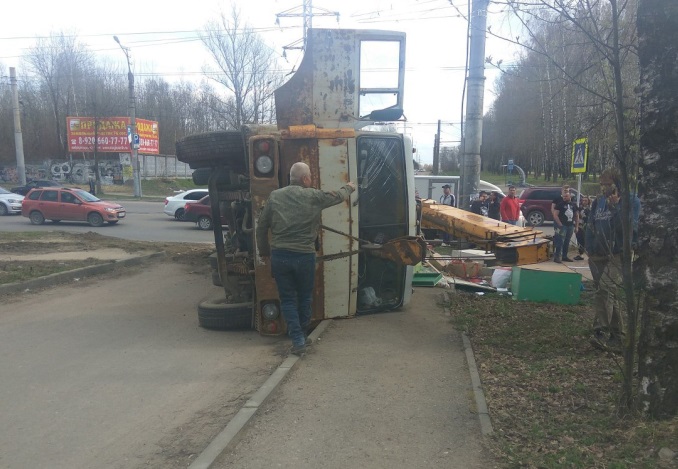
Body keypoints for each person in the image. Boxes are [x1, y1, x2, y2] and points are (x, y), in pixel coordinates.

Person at [256, 162, 356, 356]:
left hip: (281, 257)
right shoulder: (313, 196)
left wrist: (265, 252)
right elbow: (338, 196)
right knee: (305, 297)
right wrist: (350, 187)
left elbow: (261, 227)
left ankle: (298, 339)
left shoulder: (275, 197)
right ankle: (301, 335)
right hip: (304, 257)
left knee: (287, 300)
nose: (311, 178)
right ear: (305, 179)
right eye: (310, 175)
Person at [585, 168, 640, 352]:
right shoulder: (598, 202)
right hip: (598, 254)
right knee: (609, 294)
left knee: (605, 289)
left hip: (618, 253)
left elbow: (628, 229)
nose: (603, 188)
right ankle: (617, 336)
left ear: (618, 184)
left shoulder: (630, 201)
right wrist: (589, 247)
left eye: (607, 184)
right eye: (601, 184)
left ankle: (599, 331)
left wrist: (616, 208)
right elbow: (591, 224)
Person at [551, 188, 579, 263]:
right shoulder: (560, 204)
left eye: (566, 196)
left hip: (570, 226)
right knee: (560, 241)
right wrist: (559, 224)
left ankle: (564, 256)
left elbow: (576, 216)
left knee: (567, 241)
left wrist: (576, 226)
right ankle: (557, 257)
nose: (564, 198)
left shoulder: (573, 204)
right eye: (563, 196)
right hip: (562, 226)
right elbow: (555, 215)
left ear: (570, 196)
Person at [574, 196, 591, 261]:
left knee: (587, 241)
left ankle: (589, 254)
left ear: (588, 201)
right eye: (583, 200)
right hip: (580, 226)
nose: (584, 202)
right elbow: (577, 217)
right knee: (580, 240)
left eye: (585, 200)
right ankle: (581, 254)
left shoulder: (590, 209)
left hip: (587, 227)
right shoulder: (579, 208)